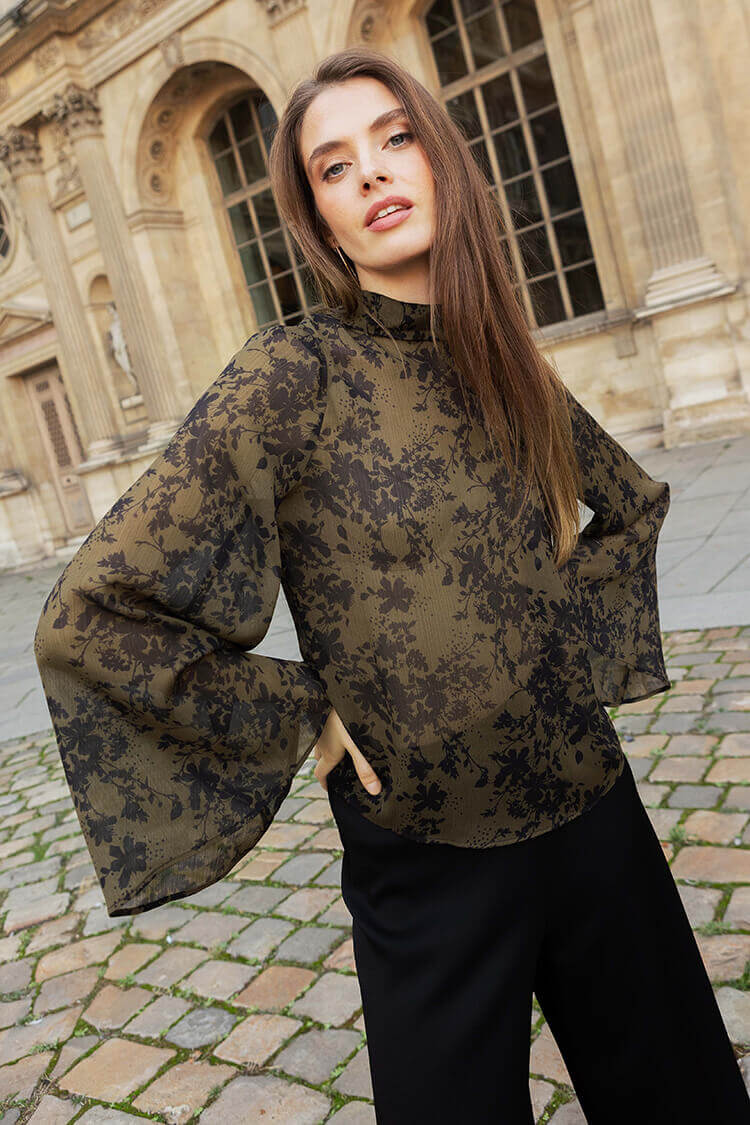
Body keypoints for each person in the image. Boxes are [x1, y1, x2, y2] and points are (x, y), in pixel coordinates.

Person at [33, 46, 749, 1125]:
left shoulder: (497, 355)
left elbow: (632, 503)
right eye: (334, 166)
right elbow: (88, 615)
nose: (370, 171)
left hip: (594, 813)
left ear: (439, 160)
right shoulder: (294, 374)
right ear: (321, 221)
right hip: (425, 851)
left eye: (395, 138)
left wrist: (566, 654)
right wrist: (302, 714)